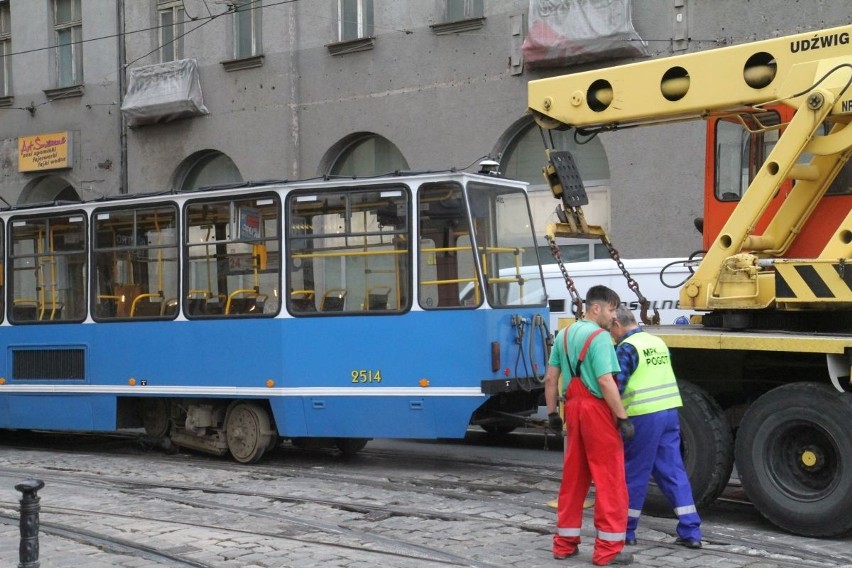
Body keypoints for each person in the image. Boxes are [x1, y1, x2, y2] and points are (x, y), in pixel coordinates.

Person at [544, 285, 635, 566]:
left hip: (572, 409)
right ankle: (608, 550)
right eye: (610, 309)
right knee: (609, 480)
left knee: (574, 478)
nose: (612, 316)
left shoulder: (565, 335)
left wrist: (552, 414)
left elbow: (550, 379)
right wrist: (622, 417)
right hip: (597, 411)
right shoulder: (600, 338)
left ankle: (564, 545)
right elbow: (606, 382)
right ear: (596, 308)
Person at [610, 305, 702, 549]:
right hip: (670, 412)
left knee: (634, 474)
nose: (612, 335)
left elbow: (616, 387)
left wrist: (614, 417)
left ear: (617, 325)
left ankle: (626, 531)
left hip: (642, 416)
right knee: (673, 471)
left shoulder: (626, 348)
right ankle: (691, 530)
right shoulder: (657, 342)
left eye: (611, 330)